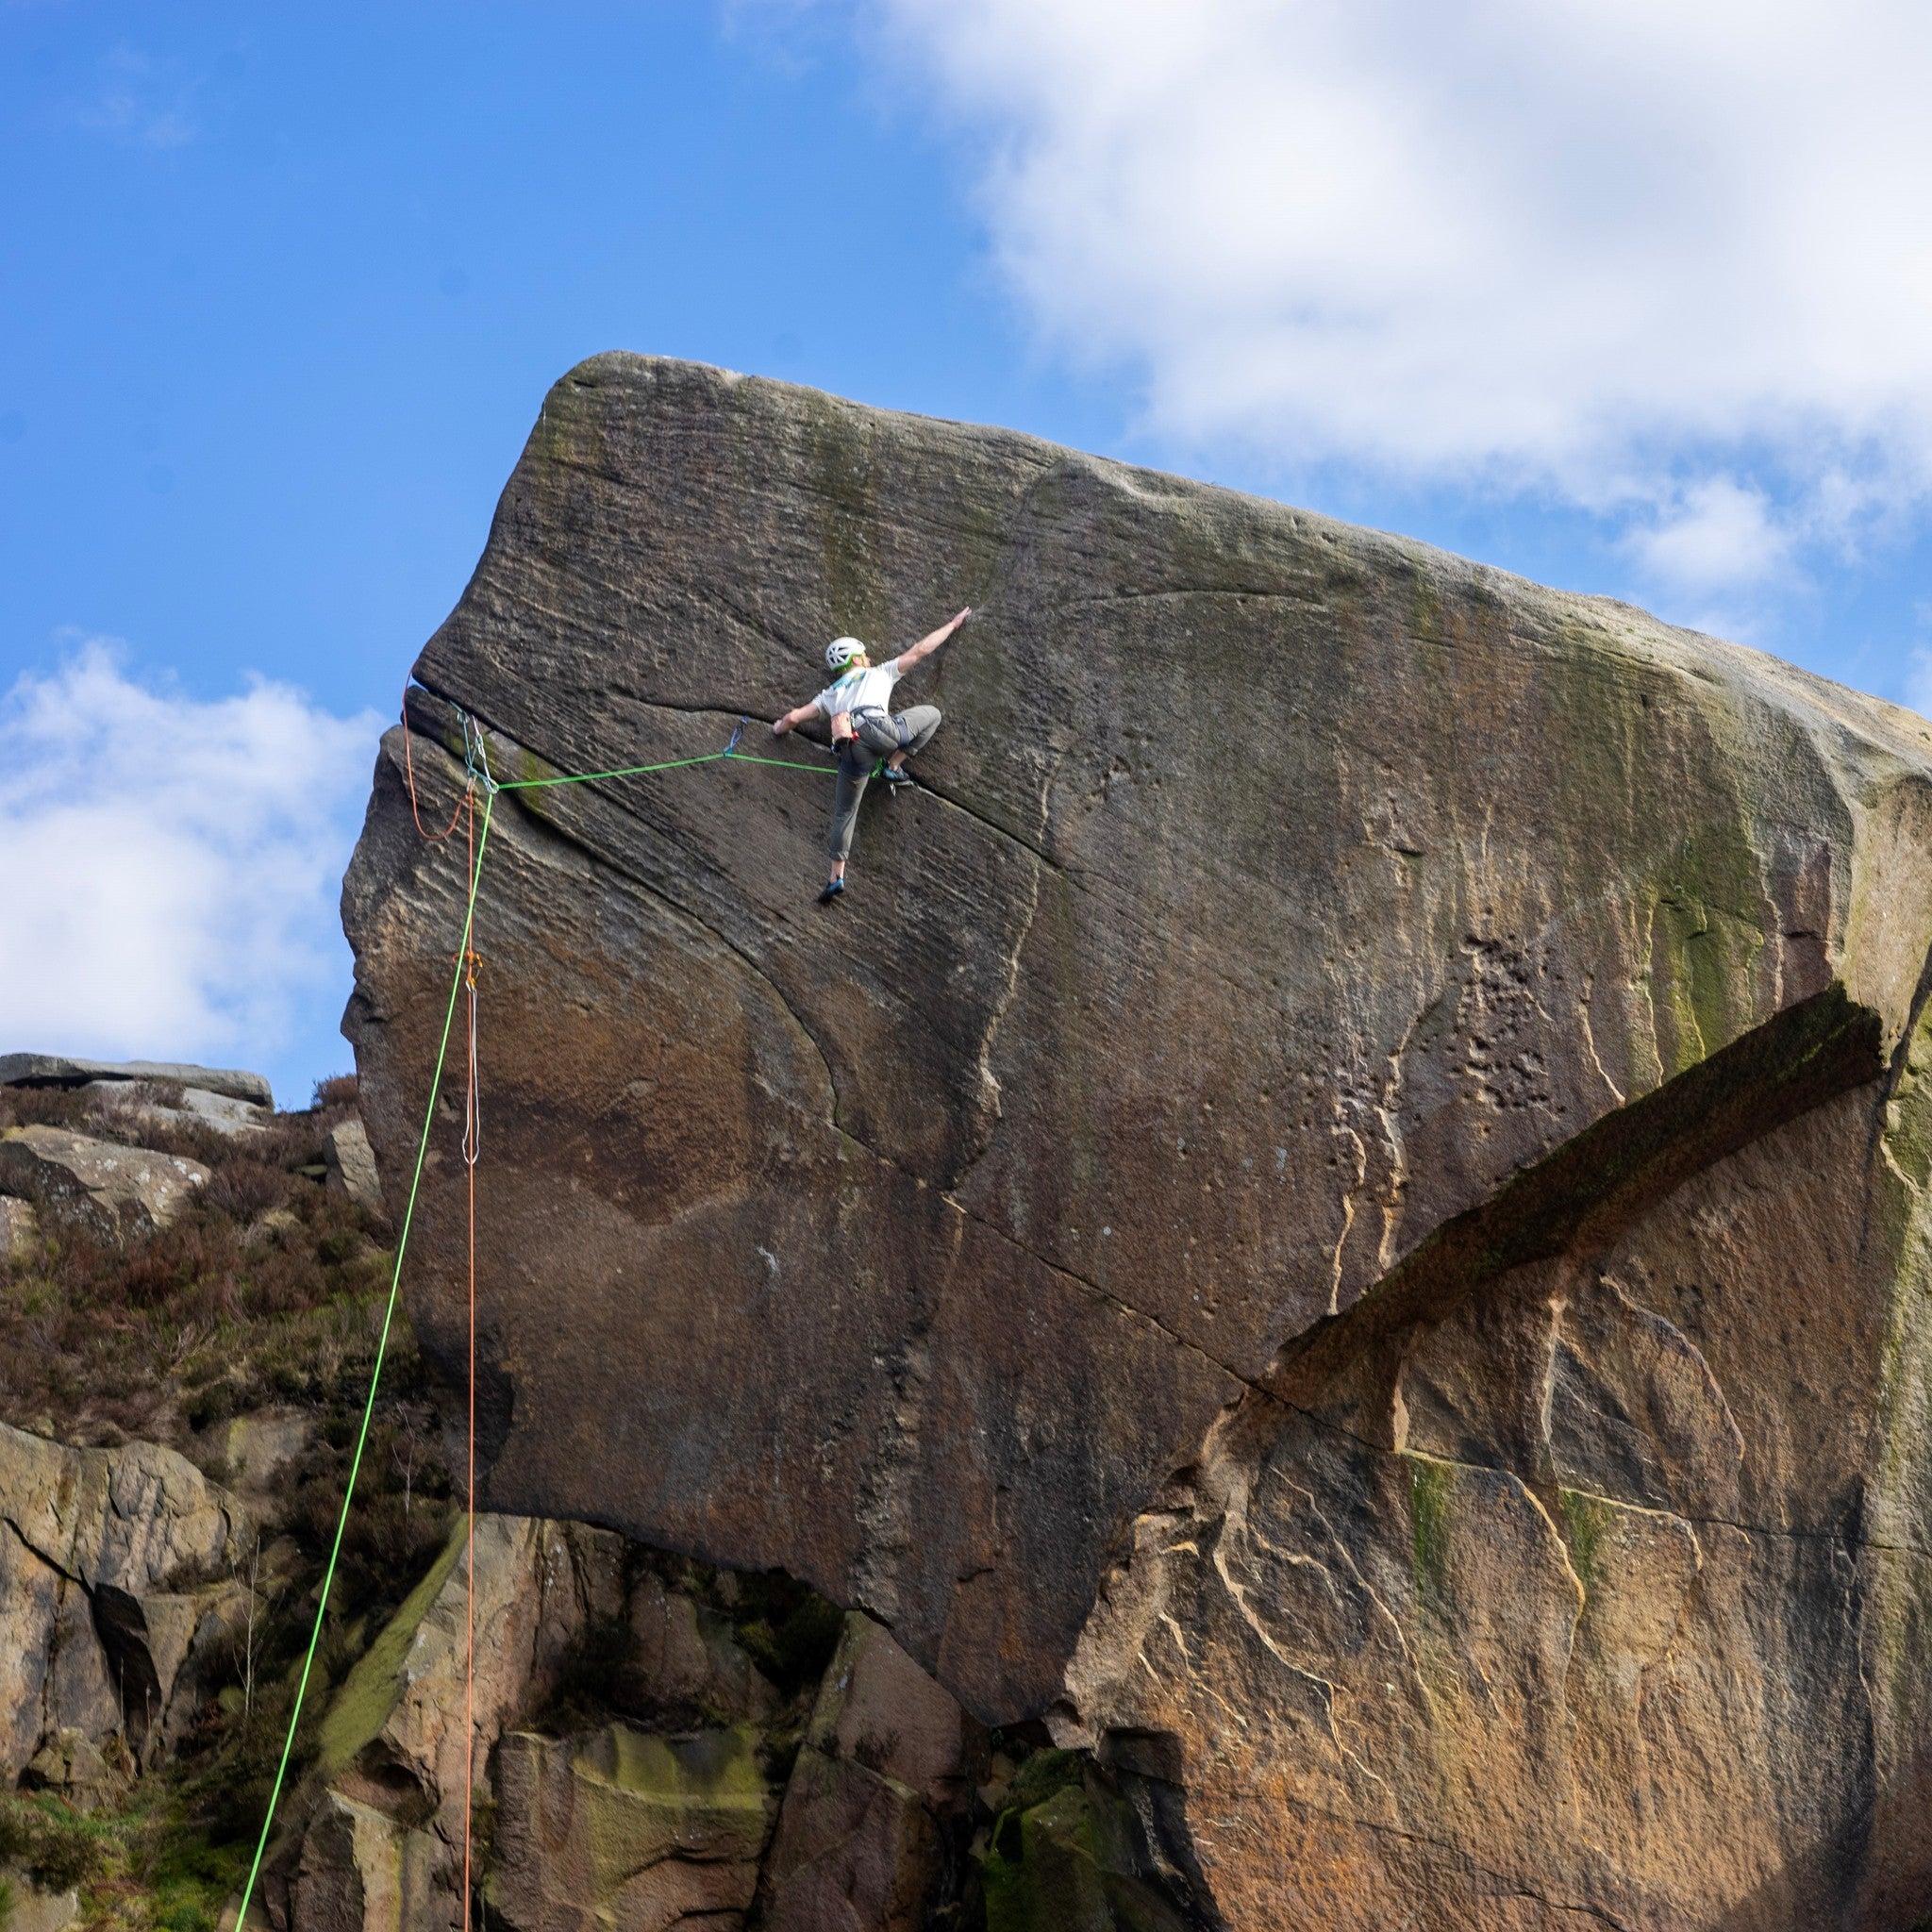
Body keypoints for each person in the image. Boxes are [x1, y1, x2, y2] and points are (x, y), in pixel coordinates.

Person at [773, 606, 972, 903]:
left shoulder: (829, 695)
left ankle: (835, 877)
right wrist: (953, 625)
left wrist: (777, 729)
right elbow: (921, 650)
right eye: (864, 655)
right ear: (856, 659)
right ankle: (894, 765)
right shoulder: (879, 672)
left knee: (844, 812)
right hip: (881, 731)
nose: (869, 658)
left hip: (851, 750)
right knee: (932, 715)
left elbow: (793, 718)